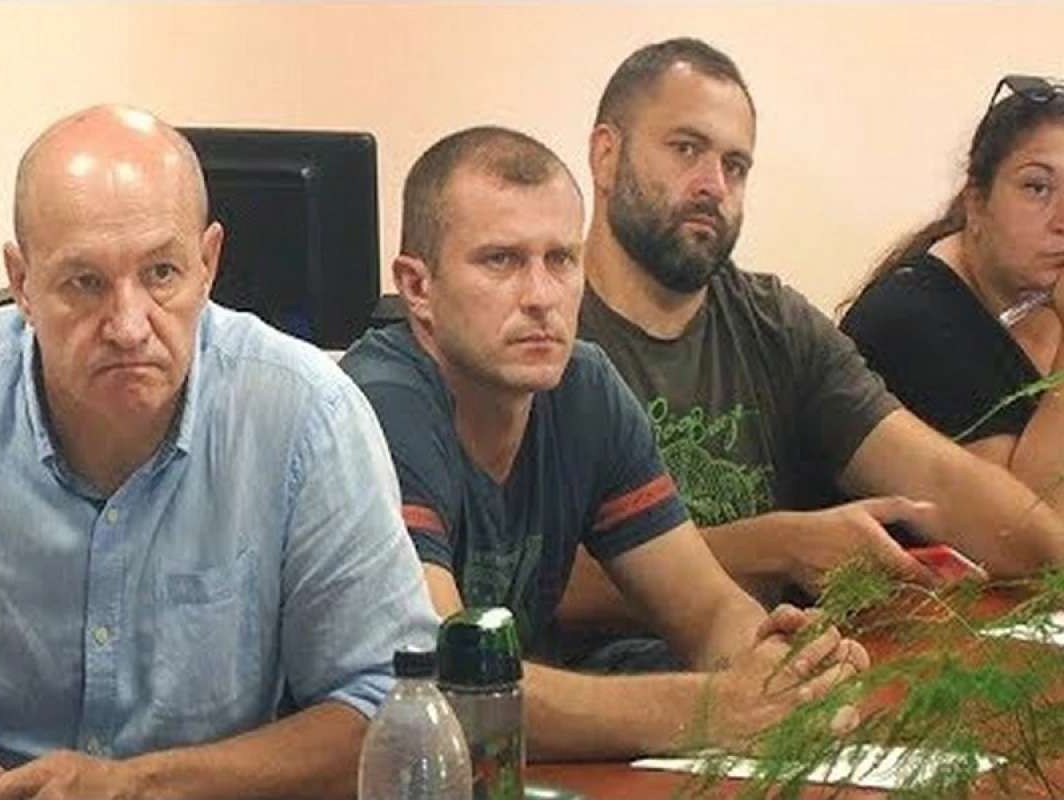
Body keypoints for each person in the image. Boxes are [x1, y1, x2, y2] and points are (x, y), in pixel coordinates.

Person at [0, 105, 439, 800]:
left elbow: (394, 704)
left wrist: (139, 787)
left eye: (162, 273)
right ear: (21, 283)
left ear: (209, 263)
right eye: (84, 283)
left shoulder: (306, 417)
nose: (129, 326)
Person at [339, 125, 868, 761]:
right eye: (501, 261)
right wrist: (718, 710)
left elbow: (704, 609)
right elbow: (446, 684)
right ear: (418, 288)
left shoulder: (585, 386)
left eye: (561, 260)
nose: (541, 297)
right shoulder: (375, 405)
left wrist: (788, 672)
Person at [573, 38, 1064, 616]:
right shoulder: (541, 327)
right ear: (606, 155)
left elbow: (940, 479)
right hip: (603, 669)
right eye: (686, 149)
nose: (713, 185)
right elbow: (542, 586)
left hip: (778, 658)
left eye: (735, 166)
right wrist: (776, 545)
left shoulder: (775, 322)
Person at [841, 75, 1064, 515]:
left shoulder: (1041, 298)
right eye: (1038, 188)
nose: (1062, 219)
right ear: (975, 202)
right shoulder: (909, 321)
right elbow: (1027, 530)